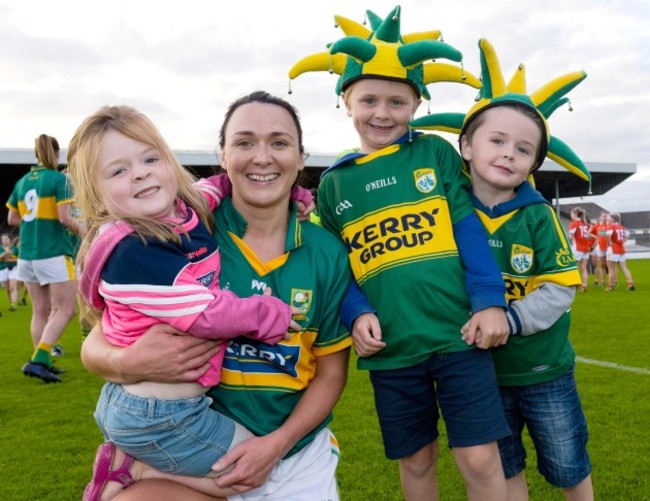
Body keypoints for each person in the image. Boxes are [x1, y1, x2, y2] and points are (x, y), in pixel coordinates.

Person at [80, 91, 353, 500]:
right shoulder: (180, 232)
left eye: (279, 143)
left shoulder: (325, 251)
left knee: (253, 472)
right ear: (223, 156)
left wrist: (277, 444)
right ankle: (132, 469)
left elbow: (332, 373)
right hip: (193, 433)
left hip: (293, 452)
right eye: (244, 143)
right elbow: (97, 339)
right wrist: (125, 361)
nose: (261, 157)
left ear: (301, 158)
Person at [289, 7, 511, 500]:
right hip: (391, 350)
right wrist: (355, 311)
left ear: (416, 104)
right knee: (416, 459)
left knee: (479, 456)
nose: (382, 113)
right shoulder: (333, 184)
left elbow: (468, 229)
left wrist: (490, 299)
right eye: (369, 99)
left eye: (397, 101)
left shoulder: (434, 153)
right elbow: (335, 266)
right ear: (347, 101)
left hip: (460, 336)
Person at [411, 37, 594, 501]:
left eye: (524, 149)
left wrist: (508, 319)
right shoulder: (446, 213)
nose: (510, 153)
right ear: (466, 147)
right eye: (498, 141)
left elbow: (559, 291)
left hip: (543, 368)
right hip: (478, 373)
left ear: (534, 163)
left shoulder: (538, 216)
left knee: (569, 463)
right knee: (505, 465)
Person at [5, 134, 84, 383]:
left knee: (40, 311)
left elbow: (12, 220)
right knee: (67, 309)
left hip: (27, 255)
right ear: (57, 154)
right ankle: (39, 359)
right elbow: (64, 218)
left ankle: (43, 360)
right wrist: (85, 231)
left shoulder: (23, 181)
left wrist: (35, 222)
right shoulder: (59, 180)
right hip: (53, 253)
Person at [605, 212, 635, 291]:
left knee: (611, 269)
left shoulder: (610, 226)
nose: (607, 220)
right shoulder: (621, 227)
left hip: (613, 249)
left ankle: (611, 286)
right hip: (621, 249)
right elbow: (627, 235)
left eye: (608, 219)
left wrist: (609, 243)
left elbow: (608, 235)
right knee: (624, 268)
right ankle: (630, 283)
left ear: (611, 220)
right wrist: (623, 242)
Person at [568, 207, 594, 292]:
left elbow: (571, 237)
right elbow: (587, 236)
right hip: (586, 249)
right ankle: (584, 286)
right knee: (583, 268)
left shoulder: (574, 223)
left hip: (577, 248)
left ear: (575, 214)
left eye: (571, 213)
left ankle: (574, 285)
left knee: (573, 267)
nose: (571, 215)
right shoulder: (584, 224)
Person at [589, 211, 610, 286]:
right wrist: (596, 237)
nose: (604, 217)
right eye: (603, 216)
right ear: (600, 217)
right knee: (602, 265)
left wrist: (600, 234)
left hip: (609, 248)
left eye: (606, 216)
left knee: (610, 266)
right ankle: (603, 282)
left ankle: (614, 282)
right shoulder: (596, 226)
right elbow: (589, 233)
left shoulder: (609, 225)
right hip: (600, 248)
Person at [0, 233, 20, 311]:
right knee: (8, 289)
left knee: (13, 287)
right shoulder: (0, 248)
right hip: (3, 269)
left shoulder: (15, 248)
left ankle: (13, 305)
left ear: (10, 239)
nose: (5, 241)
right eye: (3, 239)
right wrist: (5, 254)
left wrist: (10, 259)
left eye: (6, 239)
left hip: (13, 268)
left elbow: (20, 259)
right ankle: (11, 302)